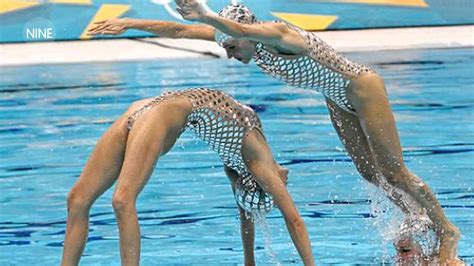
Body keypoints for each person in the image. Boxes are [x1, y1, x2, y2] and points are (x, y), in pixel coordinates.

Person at [87, 2, 462, 264]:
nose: (231, 55)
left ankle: (447, 232)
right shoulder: (238, 40)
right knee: (369, 172)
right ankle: (416, 218)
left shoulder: (280, 34)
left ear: (248, 34)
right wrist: (133, 25)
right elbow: (184, 30)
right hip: (335, 97)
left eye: (233, 47)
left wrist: (205, 12)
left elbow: (235, 29)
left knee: (393, 171)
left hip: (361, 88)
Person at [61, 88, 314, 266]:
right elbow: (294, 221)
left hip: (153, 107)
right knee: (92, 200)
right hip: (157, 113)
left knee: (97, 200)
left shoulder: (244, 165)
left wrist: (249, 261)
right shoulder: (258, 166)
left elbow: (245, 212)